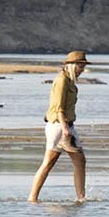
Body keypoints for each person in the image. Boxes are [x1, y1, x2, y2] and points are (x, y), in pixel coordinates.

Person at [29, 49, 89, 202]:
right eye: (80, 66)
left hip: (65, 126)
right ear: (71, 65)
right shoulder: (61, 80)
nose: (82, 69)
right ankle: (33, 198)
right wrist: (65, 129)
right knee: (52, 162)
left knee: (77, 161)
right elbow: (58, 107)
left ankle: (80, 197)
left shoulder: (69, 81)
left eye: (83, 66)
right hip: (59, 126)